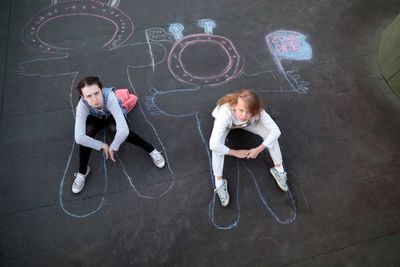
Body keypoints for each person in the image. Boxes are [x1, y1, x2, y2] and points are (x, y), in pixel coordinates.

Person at [72, 76, 165, 193]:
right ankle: (82, 171)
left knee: (115, 129)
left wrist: (113, 146)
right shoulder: (82, 106)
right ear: (83, 97)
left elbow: (123, 131)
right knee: (88, 132)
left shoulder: (110, 97)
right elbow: (79, 138)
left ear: (101, 90)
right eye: (89, 96)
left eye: (96, 93)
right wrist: (102, 145)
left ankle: (150, 149)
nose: (94, 99)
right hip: (96, 118)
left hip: (111, 116)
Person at [209, 89, 288, 207]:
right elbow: (213, 145)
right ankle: (219, 182)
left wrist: (258, 149)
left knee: (270, 135)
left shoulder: (258, 112)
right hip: (229, 125)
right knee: (218, 145)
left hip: (246, 124)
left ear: (255, 111)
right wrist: (236, 152)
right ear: (235, 105)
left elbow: (276, 131)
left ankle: (279, 169)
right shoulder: (224, 113)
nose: (244, 115)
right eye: (241, 110)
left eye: (248, 112)